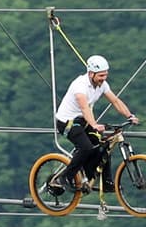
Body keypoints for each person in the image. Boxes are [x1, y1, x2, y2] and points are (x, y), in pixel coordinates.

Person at [51, 54, 139, 193]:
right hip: (67, 122)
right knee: (86, 148)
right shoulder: (80, 86)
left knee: (104, 144)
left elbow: (115, 101)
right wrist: (94, 125)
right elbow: (85, 108)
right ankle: (64, 178)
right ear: (91, 73)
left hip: (83, 122)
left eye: (105, 75)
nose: (103, 79)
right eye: (101, 76)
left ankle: (106, 181)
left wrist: (130, 115)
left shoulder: (102, 85)